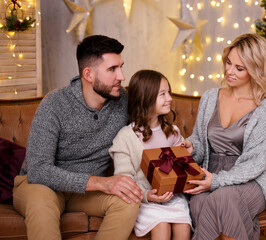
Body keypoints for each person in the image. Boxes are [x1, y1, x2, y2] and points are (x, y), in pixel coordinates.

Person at [12, 35, 143, 240]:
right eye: (112, 69)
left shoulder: (122, 100)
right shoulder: (55, 104)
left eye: (121, 67)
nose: (122, 76)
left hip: (83, 194)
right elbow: (38, 170)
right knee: (41, 202)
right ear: (88, 74)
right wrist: (101, 183)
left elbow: (149, 129)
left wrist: (184, 144)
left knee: (130, 199)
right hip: (41, 187)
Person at [181, 33, 266, 240]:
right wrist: (191, 146)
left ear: (256, 71)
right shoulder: (211, 97)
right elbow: (201, 143)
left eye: (239, 68)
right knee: (200, 201)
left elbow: (256, 163)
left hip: (253, 179)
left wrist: (218, 181)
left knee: (222, 197)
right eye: (228, 62)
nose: (229, 71)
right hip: (210, 173)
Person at [109, 69, 192, 240]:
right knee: (161, 225)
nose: (169, 98)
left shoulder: (173, 132)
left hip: (174, 199)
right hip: (146, 202)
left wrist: (188, 152)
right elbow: (124, 180)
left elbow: (184, 168)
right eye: (162, 94)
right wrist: (147, 196)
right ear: (145, 98)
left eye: (168, 92)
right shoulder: (126, 137)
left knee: (183, 226)